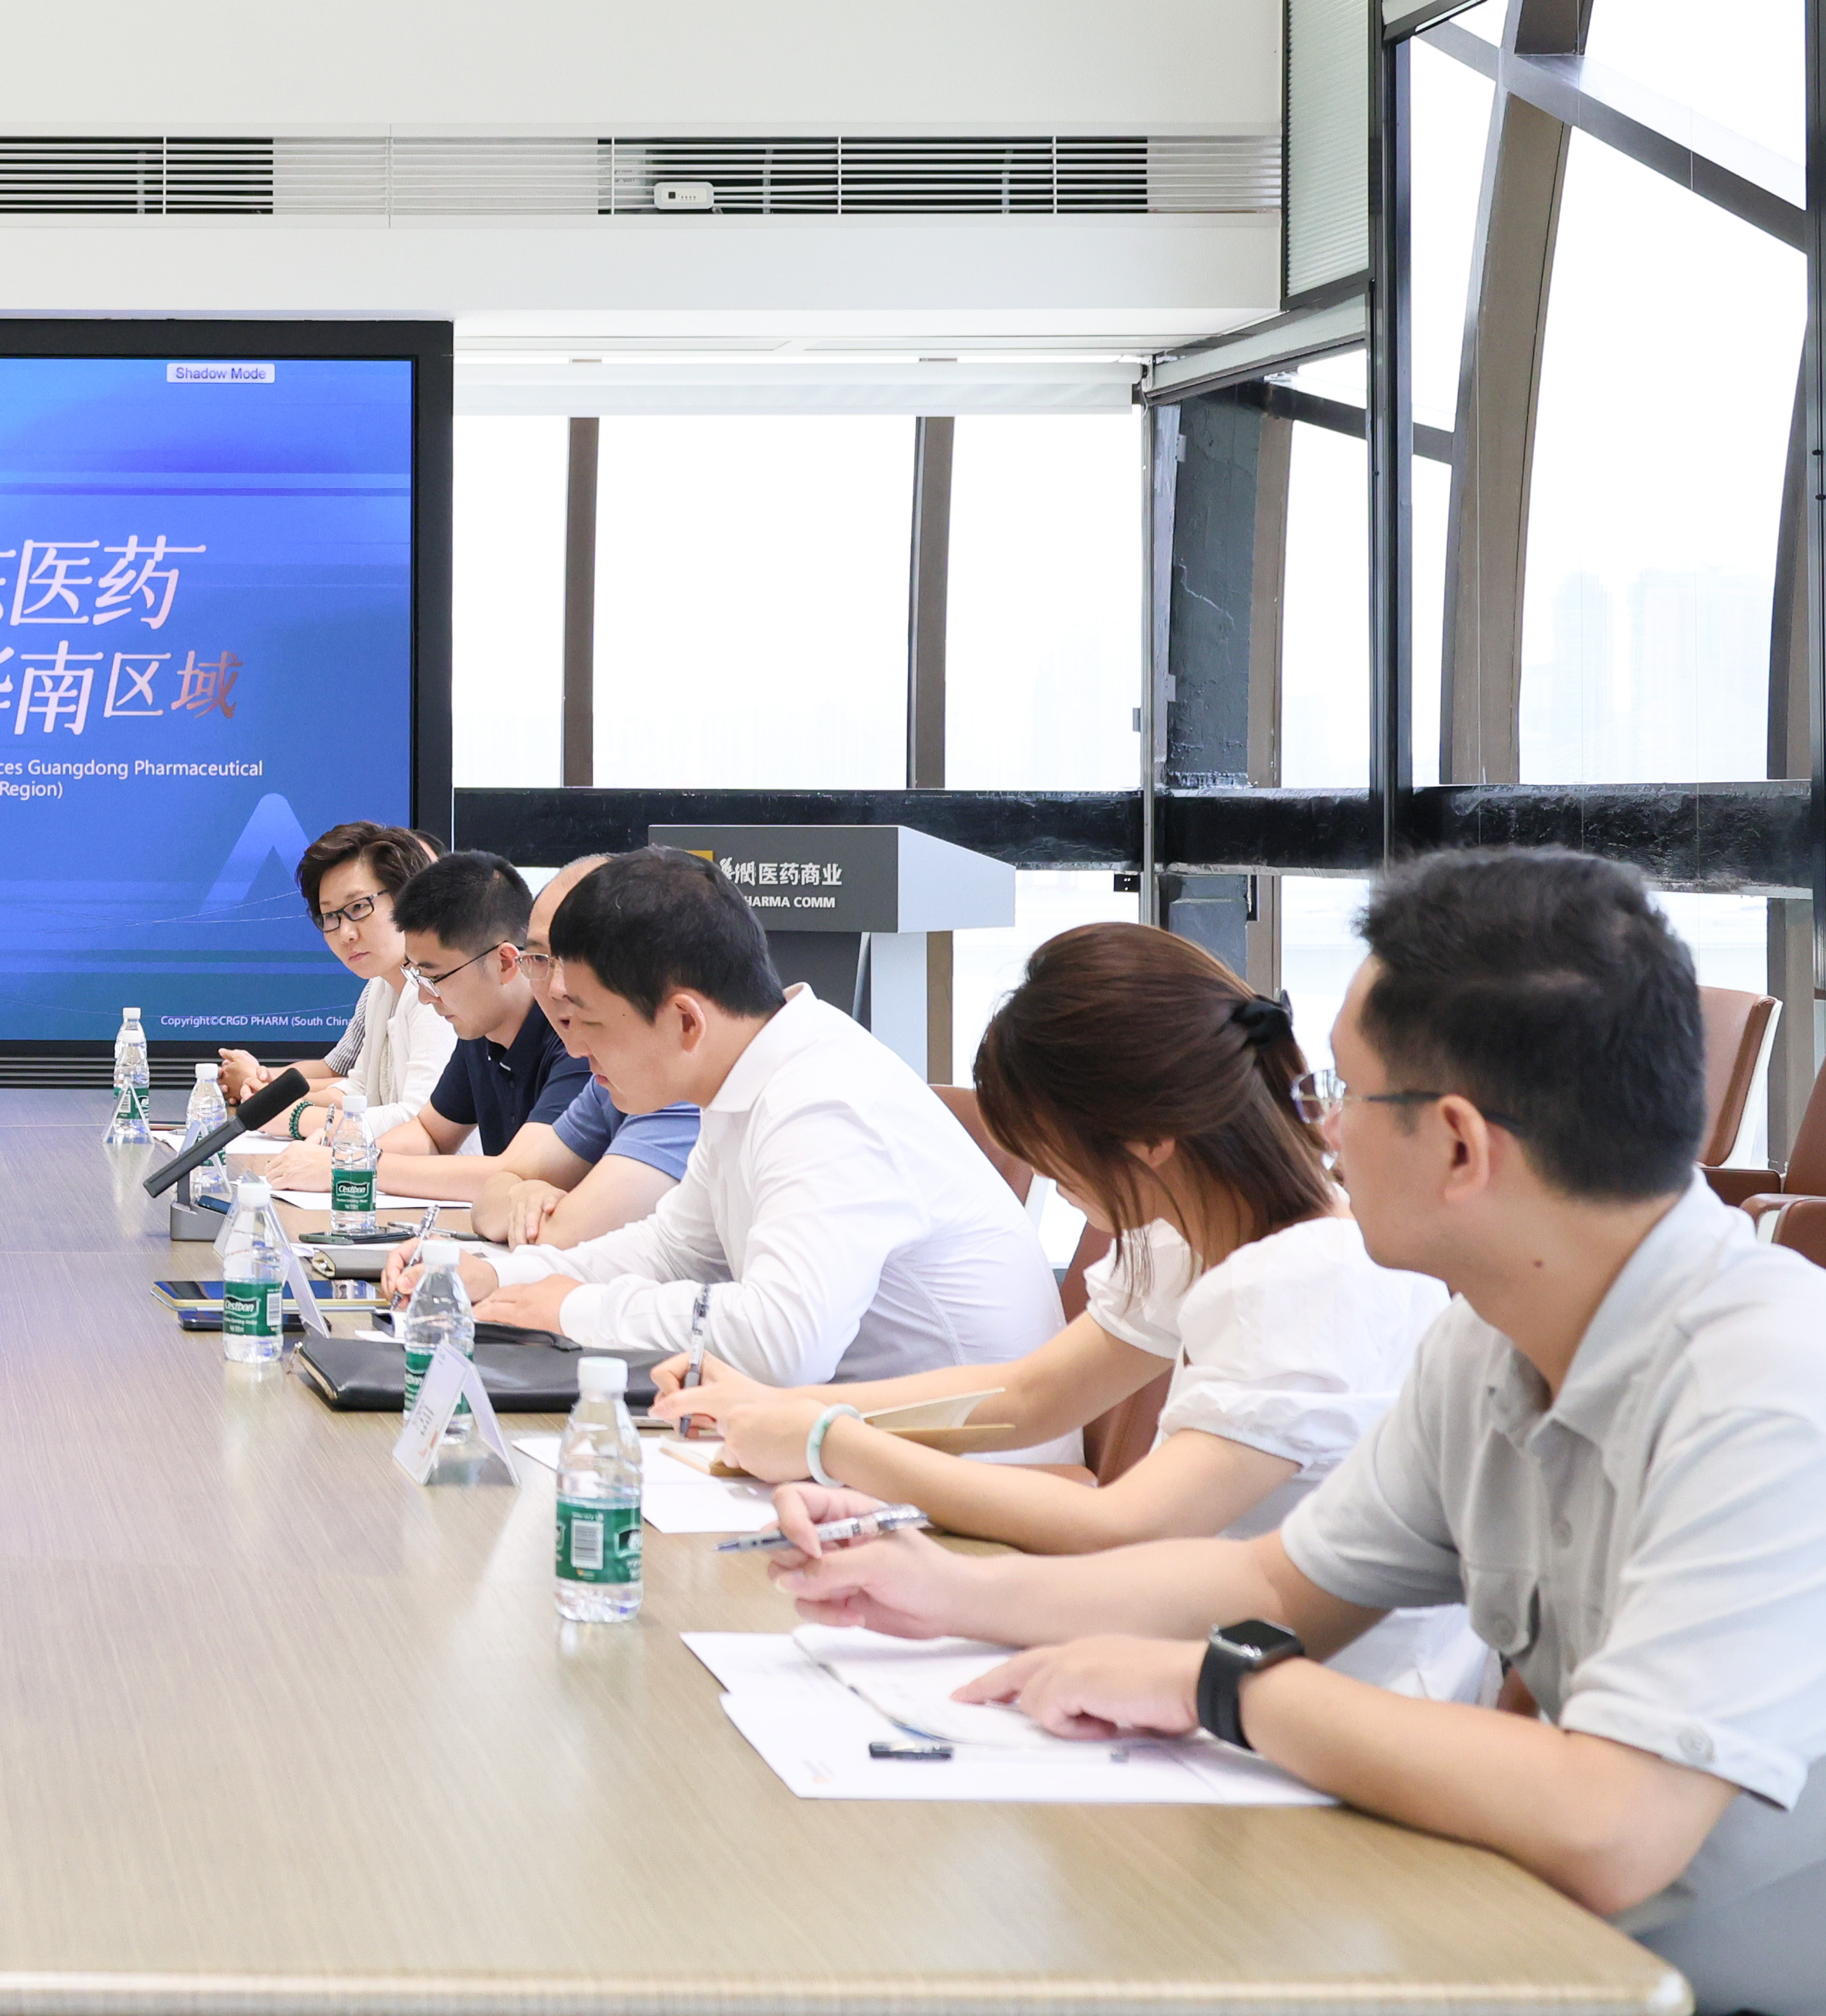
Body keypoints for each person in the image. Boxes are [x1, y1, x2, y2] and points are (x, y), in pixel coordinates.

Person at [765, 850, 1826, 2015]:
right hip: (1523, 1927)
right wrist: (946, 1591)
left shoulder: (1766, 1381)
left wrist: (1227, 1686)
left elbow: (1610, 1822)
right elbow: (1276, 1580)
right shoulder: (1487, 1340)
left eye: (1342, 1093)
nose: (1318, 1126)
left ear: (1459, 1143)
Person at [663, 923, 1475, 1692]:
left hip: (1329, 1702)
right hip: (1215, 1661)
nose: (1050, 1180)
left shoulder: (1308, 1277)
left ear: (1147, 1136)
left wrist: (828, 1439)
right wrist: (785, 1409)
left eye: (1051, 1150)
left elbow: (1122, 1524)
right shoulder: (1199, 1232)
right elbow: (1030, 1396)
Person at [435, 846, 1060, 1391]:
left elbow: (784, 1343)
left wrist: (576, 1310)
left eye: (589, 1020)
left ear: (687, 1020)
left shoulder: (822, 1103)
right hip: (846, 1440)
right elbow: (671, 1252)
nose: (575, 1047)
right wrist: (498, 1276)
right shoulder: (747, 1079)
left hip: (954, 1466)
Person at [257, 853, 591, 1206]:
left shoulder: (576, 1042)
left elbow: (516, 1173)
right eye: (417, 975)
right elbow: (429, 1133)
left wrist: (351, 1166)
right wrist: (338, 1153)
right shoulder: (480, 1033)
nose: (425, 996)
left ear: (506, 962)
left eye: (435, 977)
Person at [435, 854, 702, 1249]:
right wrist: (523, 1195)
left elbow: (565, 1232)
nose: (559, 986)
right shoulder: (608, 1078)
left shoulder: (682, 1081)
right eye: (541, 959)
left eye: (579, 959)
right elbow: (490, 1198)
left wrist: (535, 1206)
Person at [215, 821, 456, 1119]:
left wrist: (289, 1118)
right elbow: (358, 1090)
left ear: (407, 898)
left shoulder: (437, 992)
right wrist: (268, 1100)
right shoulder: (383, 986)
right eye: (330, 916)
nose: (345, 934)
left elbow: (418, 1121)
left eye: (358, 908)